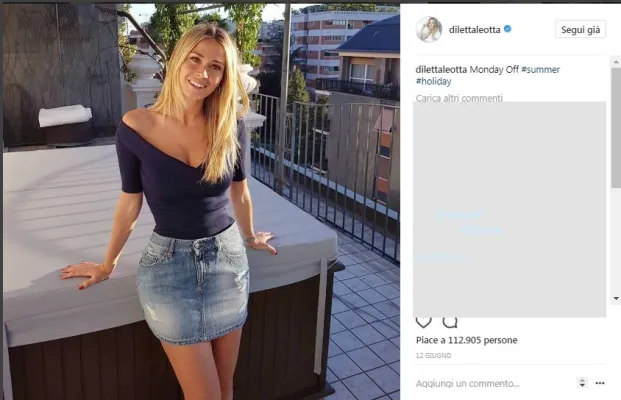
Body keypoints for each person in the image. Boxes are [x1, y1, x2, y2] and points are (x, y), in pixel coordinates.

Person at [60, 23, 276, 400]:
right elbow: (130, 202)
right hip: (168, 272)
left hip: (228, 264)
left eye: (215, 67)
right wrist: (107, 264)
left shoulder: (231, 126)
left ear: (223, 77)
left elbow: (240, 192)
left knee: (225, 390)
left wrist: (250, 236)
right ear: (177, 60)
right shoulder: (136, 126)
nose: (203, 73)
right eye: (195, 59)